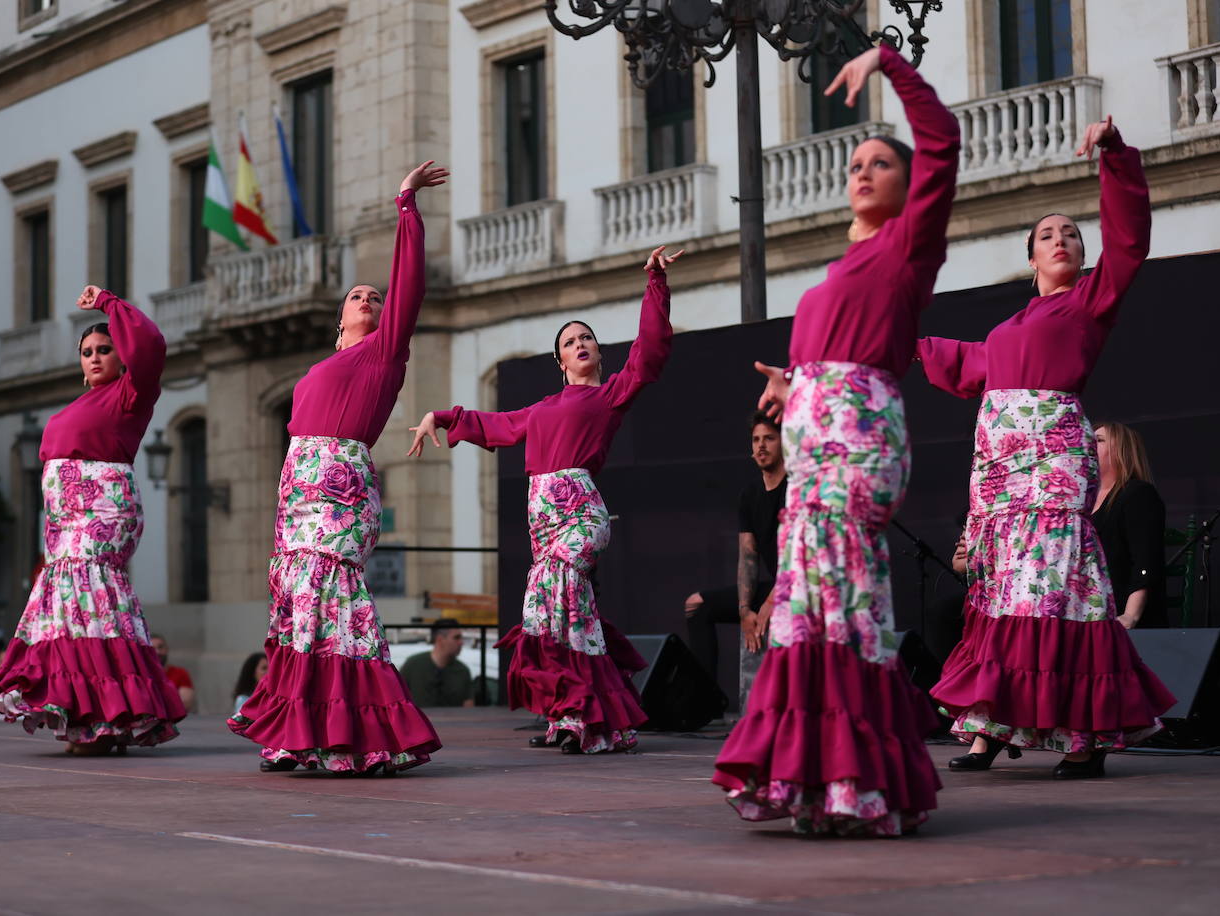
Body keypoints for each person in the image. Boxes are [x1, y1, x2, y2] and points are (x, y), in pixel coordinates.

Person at [713, 44, 957, 836]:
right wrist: (793, 390)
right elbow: (829, 362)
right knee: (813, 607)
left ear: (906, 184)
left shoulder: (907, 248)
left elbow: (946, 142)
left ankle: (860, 781)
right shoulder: (837, 269)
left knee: (845, 598)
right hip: (815, 437)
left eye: (881, 162)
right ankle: (825, 780)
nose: (863, 170)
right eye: (856, 161)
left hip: (858, 444)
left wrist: (891, 64)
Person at [917, 116, 1175, 778]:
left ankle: (1085, 736)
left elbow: (1129, 237)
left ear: (1084, 257)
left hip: (1054, 469)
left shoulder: (1090, 301)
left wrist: (1114, 156)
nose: (1061, 239)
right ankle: (987, 731)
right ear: (1030, 256)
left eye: (1072, 234)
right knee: (1006, 596)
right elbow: (935, 356)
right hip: (1003, 479)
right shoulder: (1006, 330)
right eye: (1047, 234)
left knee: (1050, 593)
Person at [410, 245, 682, 754]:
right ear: (560, 362)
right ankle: (573, 716)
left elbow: (650, 352)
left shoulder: (610, 394)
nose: (580, 344)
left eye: (587, 339)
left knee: (558, 602)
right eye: (570, 342)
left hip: (581, 515)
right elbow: (492, 425)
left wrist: (656, 285)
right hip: (543, 526)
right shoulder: (541, 410)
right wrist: (440, 417)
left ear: (598, 353)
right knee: (554, 618)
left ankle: (588, 718)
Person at [230, 162, 448, 775]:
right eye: (357, 296)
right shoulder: (321, 368)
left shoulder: (386, 352)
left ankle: (363, 734)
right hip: (299, 485)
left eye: (375, 297)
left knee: (332, 599)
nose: (369, 299)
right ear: (338, 322)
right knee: (301, 605)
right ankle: (297, 732)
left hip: (340, 483)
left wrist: (406, 204)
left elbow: (409, 286)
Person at [0, 286, 185, 755]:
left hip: (102, 513)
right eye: (86, 352)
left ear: (120, 357)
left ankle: (101, 717)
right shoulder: (74, 408)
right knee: (74, 611)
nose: (94, 358)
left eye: (104, 349)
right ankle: (92, 719)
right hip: (63, 524)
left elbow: (151, 346)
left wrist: (110, 303)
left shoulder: (131, 395)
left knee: (88, 598)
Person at [683, 412, 787, 679]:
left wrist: (769, 603)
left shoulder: (795, 488)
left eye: (769, 439)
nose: (761, 445)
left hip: (800, 587)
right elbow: (748, 556)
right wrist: (744, 610)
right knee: (698, 605)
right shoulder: (751, 495)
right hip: (776, 587)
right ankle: (707, 702)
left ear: (785, 443)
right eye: (756, 440)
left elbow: (798, 559)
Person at [1092, 422, 1168, 629]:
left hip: (1119, 614)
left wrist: (1130, 615)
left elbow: (1146, 560)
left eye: (1098, 440)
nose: (1088, 445)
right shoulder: (1081, 500)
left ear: (1120, 450)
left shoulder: (1138, 494)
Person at [400, 619, 474, 707]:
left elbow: (469, 708)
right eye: (456, 637)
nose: (461, 642)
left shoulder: (462, 671)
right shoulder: (413, 665)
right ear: (440, 639)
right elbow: (397, 700)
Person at [151, 633, 196, 711]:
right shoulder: (140, 676)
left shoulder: (180, 673)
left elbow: (185, 703)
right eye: (152, 648)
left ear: (167, 649)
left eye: (160, 647)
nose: (157, 652)